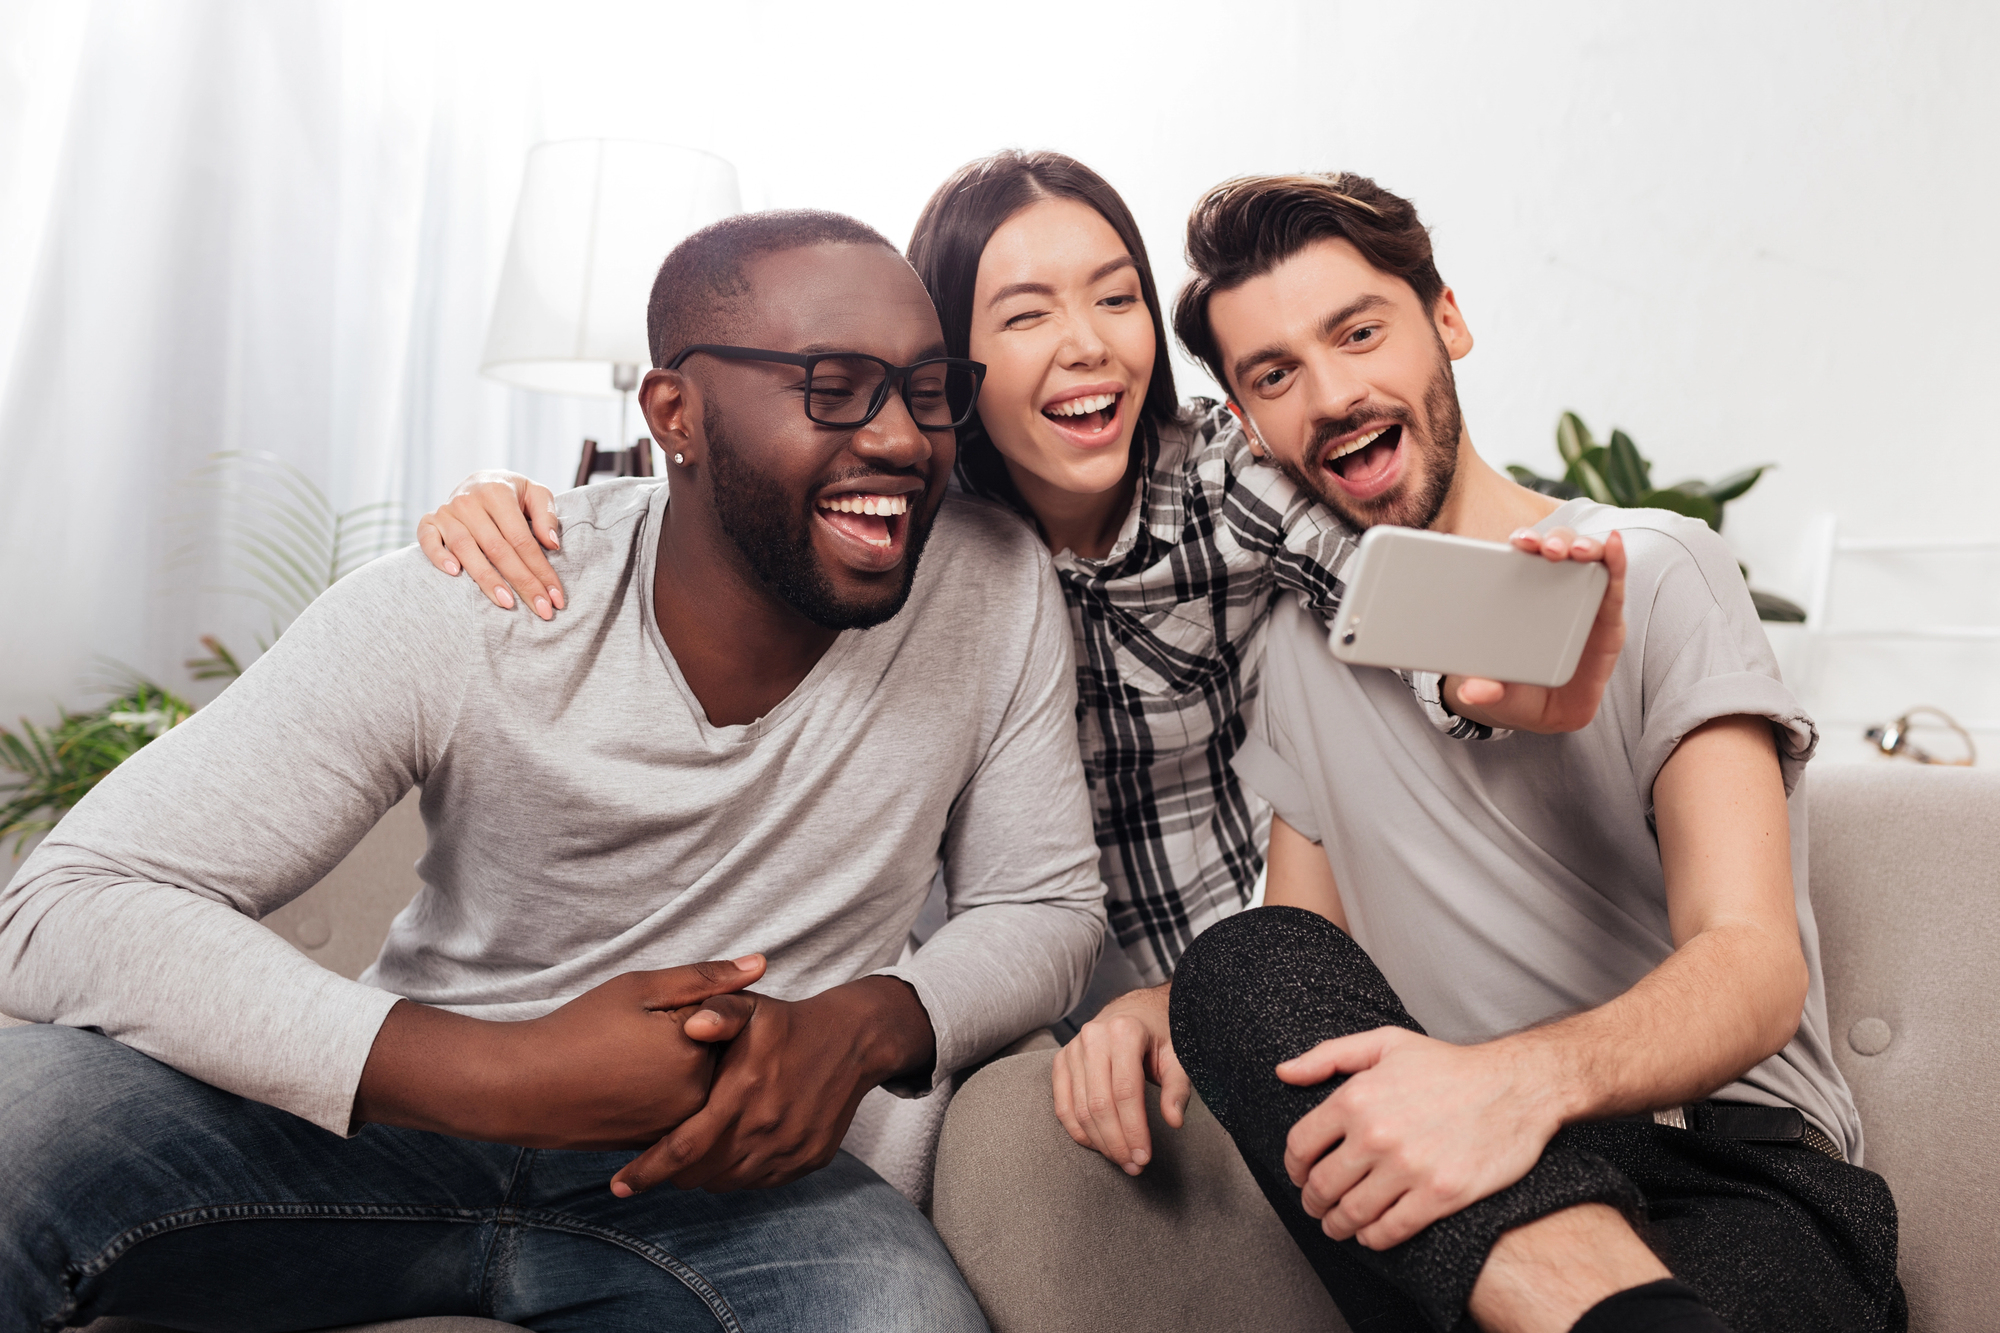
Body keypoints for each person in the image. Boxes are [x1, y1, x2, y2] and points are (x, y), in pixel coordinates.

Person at [0, 211, 1109, 1332]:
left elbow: (1044, 902)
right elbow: (63, 903)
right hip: (391, 1136)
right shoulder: (483, 594)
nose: (904, 439)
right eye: (834, 385)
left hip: (739, 1188)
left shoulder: (989, 584)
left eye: (927, 391)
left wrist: (866, 1022)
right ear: (674, 413)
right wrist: (508, 1074)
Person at [420, 151, 1619, 1010]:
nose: (1089, 342)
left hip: (1235, 979)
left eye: (1113, 297)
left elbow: (1390, 604)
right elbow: (710, 522)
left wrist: (1484, 679)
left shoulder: (1217, 479)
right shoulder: (900, 525)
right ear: (945, 358)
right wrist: (510, 506)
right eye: (1026, 312)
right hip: (994, 1001)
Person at [1056, 173, 1903, 1333]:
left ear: (1444, 320)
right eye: (1273, 374)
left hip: (1726, 1181)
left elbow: (1752, 965)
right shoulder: (1299, 655)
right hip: (1453, 1200)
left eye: (1358, 332)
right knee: (1241, 961)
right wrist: (1145, 1008)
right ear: (1245, 425)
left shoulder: (1652, 568)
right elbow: (1310, 975)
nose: (1332, 392)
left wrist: (1514, 1084)